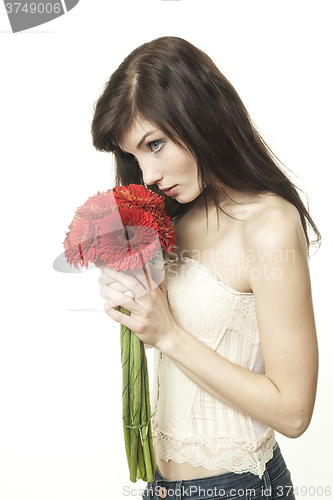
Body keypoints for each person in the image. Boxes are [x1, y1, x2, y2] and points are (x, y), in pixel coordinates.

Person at [91, 36, 320, 500]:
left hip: (239, 487)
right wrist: (134, 301)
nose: (147, 174)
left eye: (155, 144)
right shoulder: (177, 218)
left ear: (201, 115)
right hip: (160, 487)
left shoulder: (268, 224)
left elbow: (294, 412)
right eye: (134, 156)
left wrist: (168, 334)